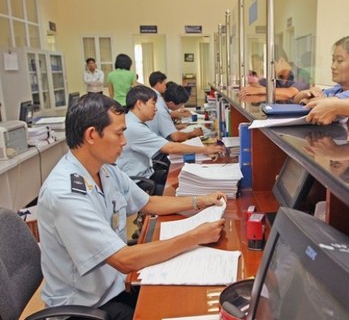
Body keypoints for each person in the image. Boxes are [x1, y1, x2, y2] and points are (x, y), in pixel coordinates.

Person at [37, 93, 226, 319]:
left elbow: (149, 202)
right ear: (91, 135)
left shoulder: (105, 169)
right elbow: (124, 260)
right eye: (119, 134)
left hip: (114, 284)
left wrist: (200, 201)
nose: (124, 142)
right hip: (85, 307)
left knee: (182, 301)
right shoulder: (65, 194)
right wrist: (194, 236)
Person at [116, 86, 224, 195]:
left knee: (184, 177)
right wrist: (205, 150)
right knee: (185, 191)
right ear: (139, 104)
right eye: (153, 104)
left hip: (146, 173)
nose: (156, 109)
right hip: (138, 183)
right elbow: (171, 148)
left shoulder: (131, 121)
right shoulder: (134, 127)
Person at [293, 35, 349, 106]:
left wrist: (312, 100)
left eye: (340, 60)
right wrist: (308, 93)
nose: (333, 66)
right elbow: (296, 99)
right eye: (333, 60)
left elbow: (324, 104)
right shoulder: (337, 89)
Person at [239, 47, 310, 102]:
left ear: (281, 60)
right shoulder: (276, 76)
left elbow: (290, 92)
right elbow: (254, 84)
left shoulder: (302, 73)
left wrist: (260, 90)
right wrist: (257, 89)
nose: (270, 69)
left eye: (272, 65)